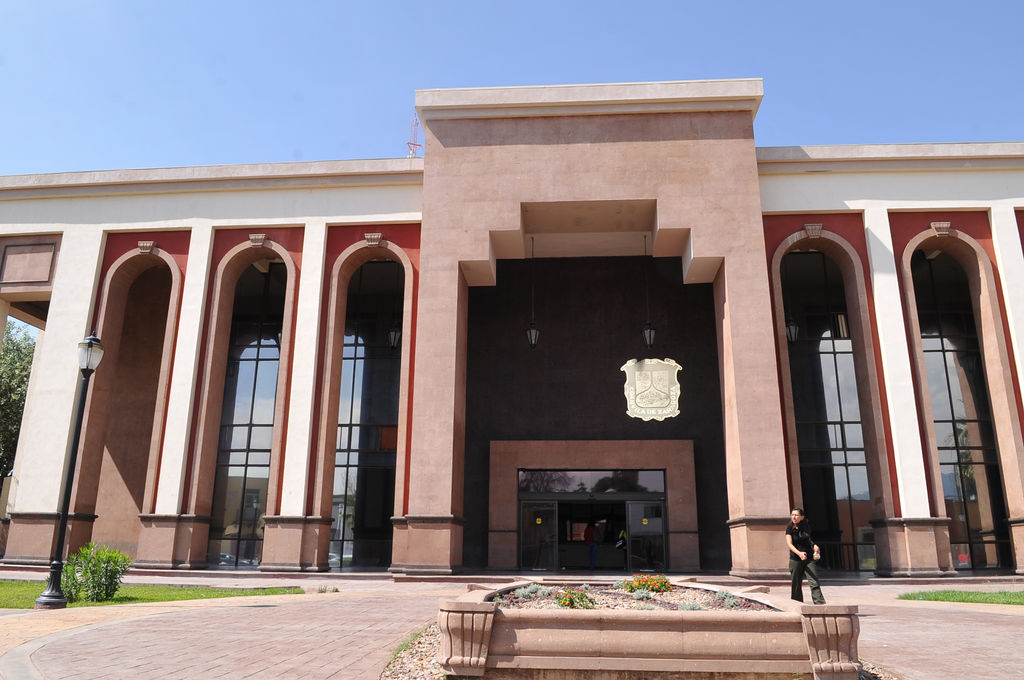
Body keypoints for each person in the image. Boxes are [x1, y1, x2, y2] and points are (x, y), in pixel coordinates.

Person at [785, 507, 825, 604]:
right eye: (792, 515)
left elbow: (808, 539)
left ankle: (819, 604)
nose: (794, 517)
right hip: (796, 559)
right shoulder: (789, 528)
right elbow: (789, 544)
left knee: (814, 581)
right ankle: (797, 604)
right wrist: (799, 553)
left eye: (796, 515)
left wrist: (814, 545)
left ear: (802, 517)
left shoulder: (806, 526)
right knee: (796, 584)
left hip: (809, 558)